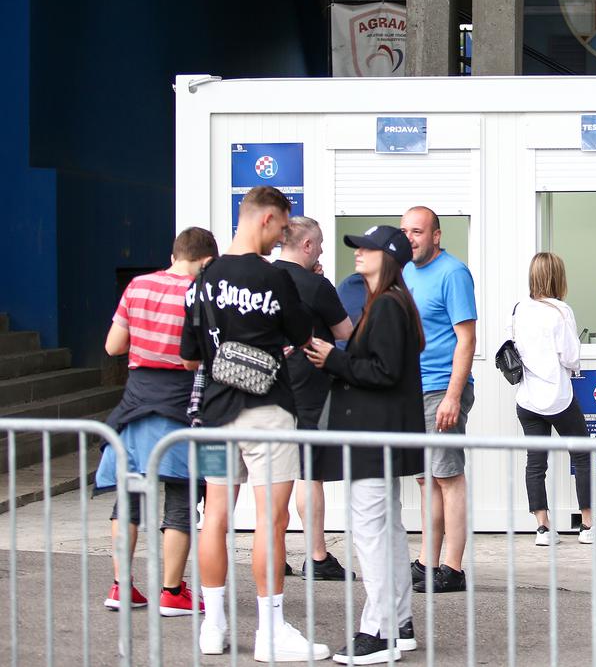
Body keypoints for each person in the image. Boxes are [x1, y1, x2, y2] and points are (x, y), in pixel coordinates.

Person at [180, 185, 329, 661]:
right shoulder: (273, 278)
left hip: (215, 412)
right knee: (272, 519)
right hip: (268, 408)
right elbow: (303, 336)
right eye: (282, 227)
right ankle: (270, 631)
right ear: (266, 219)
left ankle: (213, 626)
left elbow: (188, 359)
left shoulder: (203, 279)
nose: (282, 238)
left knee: (215, 517)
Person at [304, 225, 426, 663]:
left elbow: (384, 371)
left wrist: (335, 359)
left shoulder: (388, 305)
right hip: (378, 438)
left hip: (374, 439)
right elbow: (381, 367)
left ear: (387, 258)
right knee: (385, 532)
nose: (358, 254)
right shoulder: (388, 302)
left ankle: (379, 632)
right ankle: (398, 623)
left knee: (373, 535)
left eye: (367, 248)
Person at [96, 227, 217, 616]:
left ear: (174, 253)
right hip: (179, 403)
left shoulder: (137, 286)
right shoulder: (198, 293)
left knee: (127, 499)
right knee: (181, 499)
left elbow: (113, 346)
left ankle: (120, 587)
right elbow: (193, 359)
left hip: (134, 402)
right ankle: (171, 592)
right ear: (206, 261)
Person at [512, 252, 596, 546]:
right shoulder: (561, 311)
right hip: (558, 397)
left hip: (527, 398)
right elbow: (572, 357)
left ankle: (543, 529)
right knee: (582, 453)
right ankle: (588, 525)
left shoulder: (519, 309)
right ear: (558, 278)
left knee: (535, 463)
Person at [400, 206, 477, 594]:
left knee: (448, 477)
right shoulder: (404, 272)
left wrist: (452, 395)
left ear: (436, 236)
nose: (409, 238)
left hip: (440, 390)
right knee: (425, 479)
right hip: (411, 391)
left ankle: (453, 567)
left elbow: (466, 339)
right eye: (405, 231)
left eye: (417, 231)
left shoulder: (453, 273)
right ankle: (429, 561)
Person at [273, 216, 354, 580]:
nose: (321, 249)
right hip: (310, 388)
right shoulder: (316, 286)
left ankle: (273, 554)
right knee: (309, 474)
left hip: (268, 387)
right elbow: (345, 332)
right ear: (307, 245)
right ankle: (318, 557)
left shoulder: (264, 278)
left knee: (273, 475)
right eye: (319, 244)